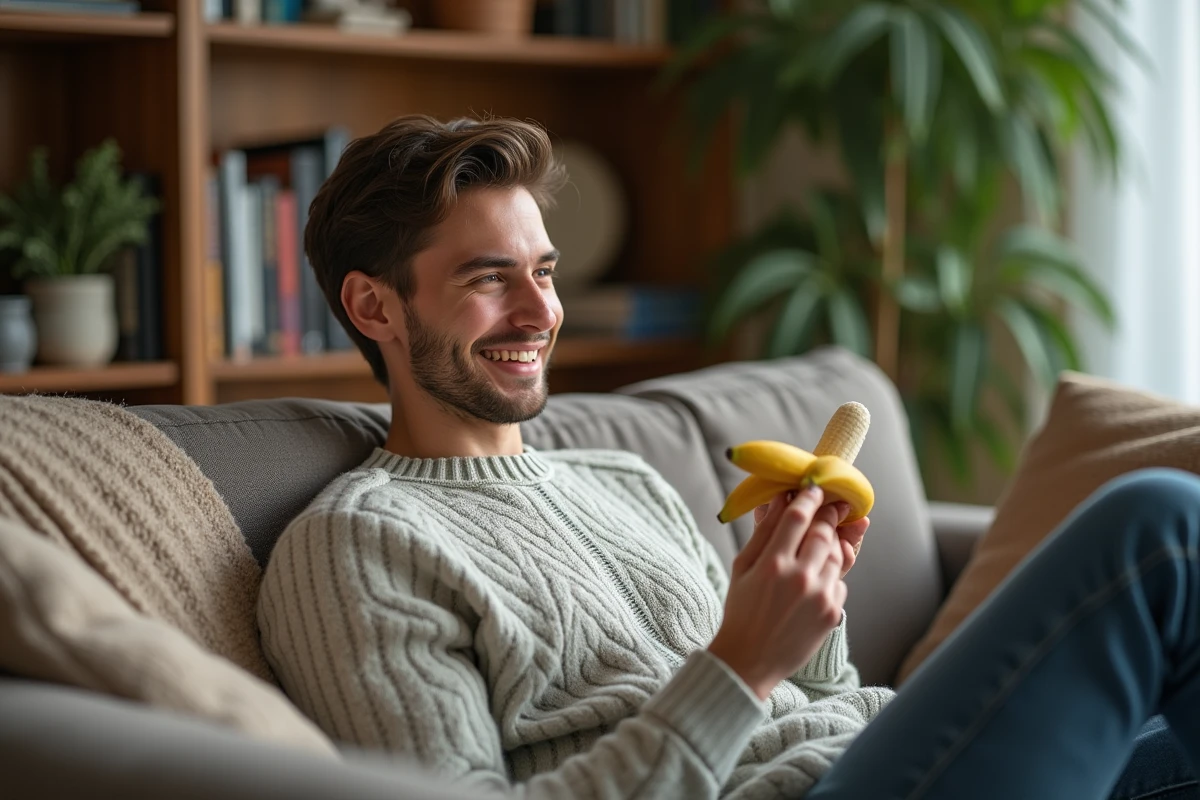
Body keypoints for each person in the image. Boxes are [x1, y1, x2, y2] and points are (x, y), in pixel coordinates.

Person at [255, 114, 1200, 799]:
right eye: (488, 279)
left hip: (875, 758)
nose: (542, 312)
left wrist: (808, 612)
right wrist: (739, 666)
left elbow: (811, 701)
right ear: (376, 307)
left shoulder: (621, 480)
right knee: (1160, 531)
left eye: (542, 271)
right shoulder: (359, 546)